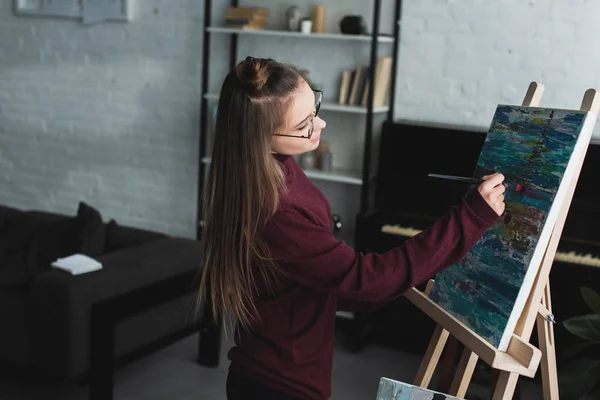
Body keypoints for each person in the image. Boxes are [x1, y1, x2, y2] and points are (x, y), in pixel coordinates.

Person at [197, 56, 505, 400]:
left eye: (315, 108)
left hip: (283, 371)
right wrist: (471, 217)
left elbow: (323, 281)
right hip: (277, 385)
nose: (321, 124)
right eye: (304, 125)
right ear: (260, 138)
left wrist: (400, 284)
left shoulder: (274, 167)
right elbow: (364, 279)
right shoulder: (275, 210)